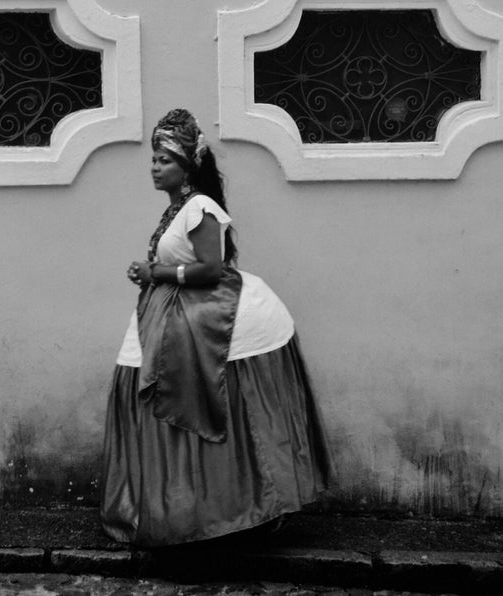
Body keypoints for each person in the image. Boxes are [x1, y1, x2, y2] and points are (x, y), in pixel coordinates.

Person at [100, 108, 332, 547]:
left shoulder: (200, 206)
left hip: (207, 308)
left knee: (201, 393)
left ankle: (237, 509)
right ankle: (185, 508)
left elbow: (211, 268)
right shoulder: (176, 210)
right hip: (168, 309)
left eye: (164, 160)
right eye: (153, 159)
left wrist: (158, 274)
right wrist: (153, 273)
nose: (155, 167)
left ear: (188, 166)